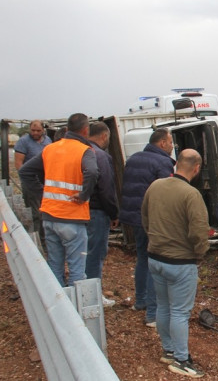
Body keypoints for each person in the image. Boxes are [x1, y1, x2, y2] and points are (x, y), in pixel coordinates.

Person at [142, 149, 209, 378]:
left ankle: (168, 350)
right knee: (180, 312)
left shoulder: (155, 186)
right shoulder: (191, 194)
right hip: (180, 262)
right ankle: (182, 360)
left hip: (155, 258)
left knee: (163, 306)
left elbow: (145, 218)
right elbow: (199, 231)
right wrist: (200, 254)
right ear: (197, 168)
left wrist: (154, 240)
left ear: (177, 163)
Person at [19, 113, 98, 286]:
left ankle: (57, 303)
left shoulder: (50, 149)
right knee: (77, 270)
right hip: (73, 218)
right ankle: (74, 310)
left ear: (68, 129)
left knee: (55, 265)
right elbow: (92, 172)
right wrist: (84, 195)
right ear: (86, 130)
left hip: (49, 216)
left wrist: (42, 194)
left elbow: (24, 171)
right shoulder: (85, 151)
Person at [120, 128, 175, 326]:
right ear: (161, 143)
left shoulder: (134, 158)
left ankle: (140, 301)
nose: (172, 146)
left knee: (142, 258)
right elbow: (166, 194)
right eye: (170, 142)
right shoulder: (163, 162)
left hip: (135, 218)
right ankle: (153, 314)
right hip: (153, 221)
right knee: (156, 264)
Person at [85, 122, 119, 307]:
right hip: (97, 212)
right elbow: (107, 189)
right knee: (95, 254)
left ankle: (80, 292)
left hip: (78, 211)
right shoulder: (100, 156)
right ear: (104, 136)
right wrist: (114, 213)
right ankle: (92, 298)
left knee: (81, 253)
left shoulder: (80, 152)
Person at [14, 120, 52, 233]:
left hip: (44, 180)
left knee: (46, 209)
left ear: (43, 130)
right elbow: (18, 163)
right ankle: (37, 237)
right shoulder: (23, 142)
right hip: (31, 180)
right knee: (36, 211)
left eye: (38, 131)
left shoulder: (48, 141)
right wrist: (26, 182)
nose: (35, 133)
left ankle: (45, 233)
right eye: (33, 130)